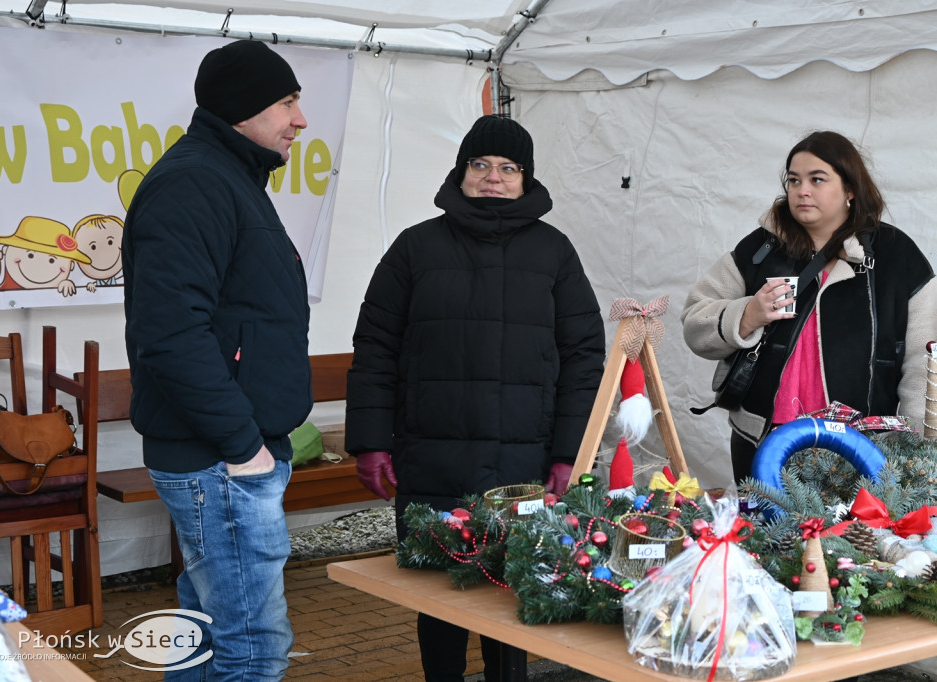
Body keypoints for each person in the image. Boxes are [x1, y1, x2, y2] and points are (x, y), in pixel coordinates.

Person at [345, 114, 605, 681]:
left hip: (522, 465)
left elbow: (585, 356)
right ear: (461, 172)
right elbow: (375, 347)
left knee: (510, 600)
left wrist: (569, 453)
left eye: (508, 168)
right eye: (481, 165)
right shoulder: (415, 248)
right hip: (430, 460)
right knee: (437, 598)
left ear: (526, 178)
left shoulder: (554, 253)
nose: (493, 178)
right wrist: (369, 442)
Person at [122, 39, 311, 680]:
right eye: (287, 102)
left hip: (228, 459)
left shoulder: (225, 177)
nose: (300, 120)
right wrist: (243, 447)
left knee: (204, 638)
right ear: (244, 108)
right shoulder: (195, 183)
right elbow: (171, 332)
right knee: (252, 648)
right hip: (222, 462)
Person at [681, 130, 937, 483]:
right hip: (762, 441)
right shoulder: (761, 249)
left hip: (862, 450)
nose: (802, 190)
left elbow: (930, 361)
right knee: (765, 536)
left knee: (849, 539)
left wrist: (919, 455)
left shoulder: (896, 255)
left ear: (850, 189)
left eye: (817, 179)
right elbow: (695, 320)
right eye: (794, 180)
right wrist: (747, 315)